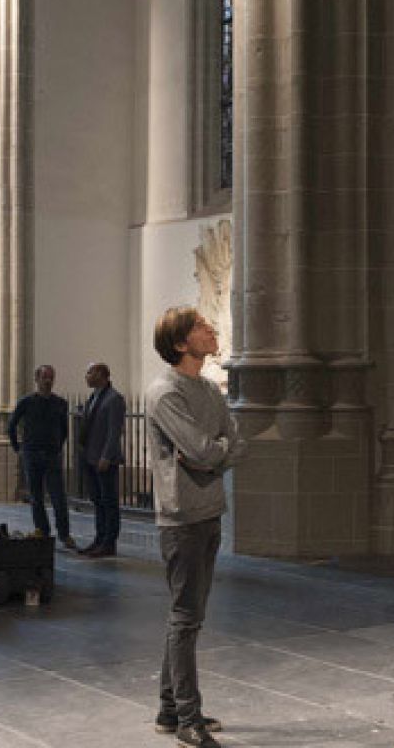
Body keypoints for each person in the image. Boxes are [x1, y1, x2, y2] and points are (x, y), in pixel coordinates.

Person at [146, 307, 240, 748]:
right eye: (201, 327)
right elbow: (204, 449)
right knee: (185, 617)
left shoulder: (208, 389)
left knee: (190, 616)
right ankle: (188, 718)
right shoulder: (165, 393)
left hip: (209, 510)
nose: (211, 331)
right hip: (182, 518)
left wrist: (211, 453)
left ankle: (170, 708)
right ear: (181, 343)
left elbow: (231, 445)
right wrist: (211, 452)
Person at [6, 365, 77, 550]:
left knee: (58, 497)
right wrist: (17, 447)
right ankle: (42, 531)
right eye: (44, 377)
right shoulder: (26, 402)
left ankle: (64, 533)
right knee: (36, 496)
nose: (48, 381)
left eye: (51, 377)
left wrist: (57, 447)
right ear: (36, 379)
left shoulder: (60, 403)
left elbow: (63, 430)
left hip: (52, 455)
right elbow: (11, 425)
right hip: (31, 453)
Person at [78, 362, 126, 557]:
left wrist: (106, 456)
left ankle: (109, 542)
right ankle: (99, 538)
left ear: (101, 374)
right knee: (97, 501)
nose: (87, 376)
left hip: (104, 459)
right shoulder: (94, 397)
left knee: (109, 502)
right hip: (90, 457)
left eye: (90, 372)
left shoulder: (114, 399)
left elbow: (114, 432)